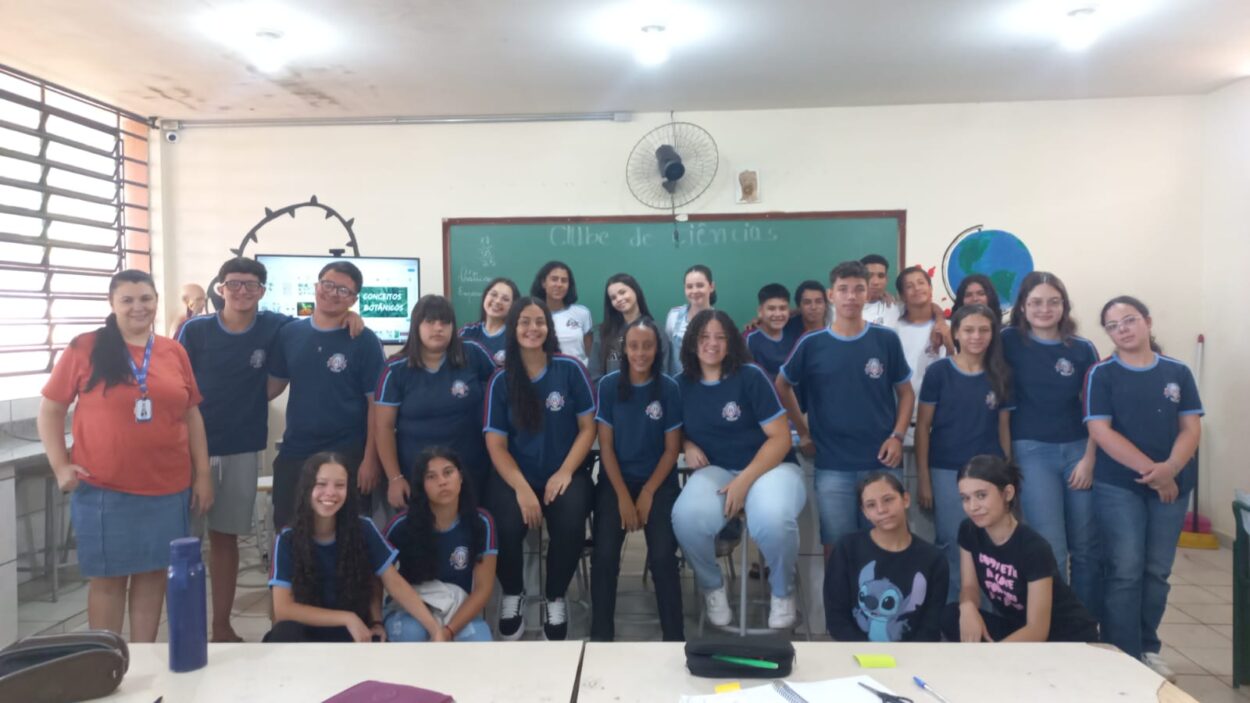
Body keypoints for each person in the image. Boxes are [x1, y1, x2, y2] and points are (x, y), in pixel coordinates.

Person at [178, 256, 364, 642]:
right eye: (234, 284)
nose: (242, 291)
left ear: (263, 291)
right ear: (220, 288)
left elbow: (319, 327)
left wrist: (353, 318)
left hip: (241, 446)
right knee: (184, 544)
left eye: (251, 285)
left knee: (226, 538)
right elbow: (174, 386)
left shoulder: (277, 328)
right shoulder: (195, 332)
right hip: (185, 447)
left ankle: (221, 625)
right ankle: (184, 628)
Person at [37, 269, 212, 642]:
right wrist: (60, 465)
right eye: (128, 300)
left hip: (167, 489)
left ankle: (141, 663)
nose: (138, 307)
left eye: (146, 299)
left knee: (152, 577)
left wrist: (203, 475)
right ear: (112, 304)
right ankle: (104, 661)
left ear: (156, 302)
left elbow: (192, 414)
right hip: (105, 489)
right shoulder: (86, 347)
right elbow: (50, 410)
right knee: (109, 580)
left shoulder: (173, 350)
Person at [1086, 296, 1202, 679]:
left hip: (1172, 486)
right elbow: (1101, 431)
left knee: (1157, 571)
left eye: (1130, 320)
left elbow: (1190, 428)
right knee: (1126, 569)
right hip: (1119, 485)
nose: (1123, 329)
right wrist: (1153, 472)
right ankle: (1123, 650)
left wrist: (1169, 470)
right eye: (1113, 325)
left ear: (1148, 322)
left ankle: (1147, 647)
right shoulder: (1102, 374)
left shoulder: (1178, 372)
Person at [671, 309, 806, 629]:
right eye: (704, 337)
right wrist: (687, 445)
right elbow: (675, 432)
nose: (712, 344)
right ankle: (712, 587)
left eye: (720, 337)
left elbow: (780, 438)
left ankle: (782, 591)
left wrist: (744, 481)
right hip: (717, 471)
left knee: (773, 519)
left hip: (771, 468)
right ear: (691, 342)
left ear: (732, 342)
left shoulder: (750, 376)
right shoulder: (680, 384)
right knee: (685, 518)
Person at [777, 260, 913, 555]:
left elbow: (906, 393)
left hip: (882, 461)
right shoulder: (812, 343)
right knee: (837, 549)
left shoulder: (885, 339)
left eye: (858, 290)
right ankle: (842, 603)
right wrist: (804, 431)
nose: (851, 296)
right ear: (831, 294)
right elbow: (782, 385)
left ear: (868, 294)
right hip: (833, 464)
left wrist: (898, 436)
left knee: (888, 544)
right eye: (843, 289)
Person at [483, 297, 596, 640]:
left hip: (565, 470)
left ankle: (555, 596)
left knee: (572, 518)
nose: (533, 329)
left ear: (549, 327)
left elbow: (588, 429)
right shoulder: (501, 379)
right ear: (513, 329)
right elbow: (496, 445)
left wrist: (564, 473)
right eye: (524, 323)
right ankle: (513, 593)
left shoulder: (570, 368)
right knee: (502, 521)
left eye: (539, 322)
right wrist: (521, 488)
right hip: (515, 474)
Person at [1002, 271, 1101, 616]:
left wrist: (1089, 459)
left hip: (1078, 452)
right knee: (1050, 545)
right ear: (1023, 307)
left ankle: (1084, 622)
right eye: (1036, 302)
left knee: (1086, 547)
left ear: (1064, 305)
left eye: (1053, 301)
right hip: (1032, 452)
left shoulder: (1083, 348)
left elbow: (1097, 411)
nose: (1045, 309)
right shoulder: (1008, 341)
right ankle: (1055, 625)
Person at [265, 453, 444, 643]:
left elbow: (396, 584)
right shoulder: (287, 539)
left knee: (382, 646)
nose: (330, 492)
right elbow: (283, 610)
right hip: (309, 632)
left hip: (355, 632)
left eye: (340, 485)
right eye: (321, 484)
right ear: (307, 488)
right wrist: (346, 617)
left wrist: (435, 629)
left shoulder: (364, 528)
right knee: (283, 633)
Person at [267, 261, 386, 531]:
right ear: (316, 286)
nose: (333, 293)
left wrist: (371, 460)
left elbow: (375, 406)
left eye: (343, 290)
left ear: (354, 299)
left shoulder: (364, 340)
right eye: (328, 285)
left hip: (348, 454)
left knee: (348, 535)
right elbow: (272, 387)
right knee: (289, 531)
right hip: (296, 451)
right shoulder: (289, 334)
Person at [591, 317, 683, 641]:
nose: (640, 352)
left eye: (647, 345)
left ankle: (674, 638)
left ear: (657, 349)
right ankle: (601, 638)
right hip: (616, 481)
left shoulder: (669, 387)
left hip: (658, 482)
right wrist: (623, 498)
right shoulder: (608, 385)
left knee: (661, 558)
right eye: (633, 346)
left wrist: (645, 493)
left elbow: (672, 451)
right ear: (623, 349)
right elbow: (606, 447)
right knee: (603, 557)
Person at [941, 455, 1099, 643]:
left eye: (981, 495)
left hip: (1062, 637)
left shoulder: (1033, 547)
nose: (973, 506)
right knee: (951, 615)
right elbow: (969, 587)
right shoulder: (969, 530)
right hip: (1018, 628)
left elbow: (1038, 630)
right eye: (965, 498)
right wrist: (967, 607)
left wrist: (992, 657)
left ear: (1007, 493)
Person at [915, 304, 1012, 598]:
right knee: (953, 542)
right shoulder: (939, 372)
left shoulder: (1002, 374)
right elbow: (923, 428)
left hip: (990, 473)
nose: (976, 336)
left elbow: (1004, 428)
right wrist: (924, 479)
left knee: (992, 544)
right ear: (955, 333)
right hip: (946, 471)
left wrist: (1008, 475)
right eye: (968, 330)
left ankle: (989, 618)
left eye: (984, 330)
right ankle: (956, 619)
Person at [376, 295, 496, 507]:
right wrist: (395, 478)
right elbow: (383, 428)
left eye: (444, 322)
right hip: (417, 475)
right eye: (430, 322)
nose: (438, 328)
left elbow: (503, 388)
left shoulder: (473, 353)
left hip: (471, 472)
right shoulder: (395, 369)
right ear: (416, 326)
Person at [383, 448, 497, 642]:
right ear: (422, 485)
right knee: (412, 632)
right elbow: (379, 579)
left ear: (460, 477)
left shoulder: (481, 521)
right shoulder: (401, 525)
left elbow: (483, 589)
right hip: (411, 610)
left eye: (448, 472)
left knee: (480, 642)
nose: (442, 482)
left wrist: (448, 631)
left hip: (457, 610)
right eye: (431, 477)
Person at [824, 472, 948, 642]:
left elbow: (931, 626)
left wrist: (905, 660)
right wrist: (869, 657)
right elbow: (836, 619)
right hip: (857, 654)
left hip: (913, 658)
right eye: (871, 505)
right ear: (865, 512)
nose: (881, 510)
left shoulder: (933, 559)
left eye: (888, 499)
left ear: (905, 499)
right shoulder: (847, 549)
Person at [894, 266, 954, 443]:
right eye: (909, 286)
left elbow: (959, 369)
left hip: (941, 422)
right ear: (902, 296)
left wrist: (949, 341)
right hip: (902, 424)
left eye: (921, 283)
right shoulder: (893, 330)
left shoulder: (951, 327)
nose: (917, 288)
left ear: (931, 289)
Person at [588, 273, 666, 382]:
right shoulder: (603, 332)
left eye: (622, 292)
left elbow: (663, 372)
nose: (619, 299)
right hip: (612, 396)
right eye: (613, 297)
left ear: (635, 291)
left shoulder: (656, 329)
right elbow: (594, 374)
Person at [530, 261, 593, 366]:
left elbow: (590, 354)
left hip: (578, 374)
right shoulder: (532, 313)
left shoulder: (582, 313)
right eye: (554, 279)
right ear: (543, 283)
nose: (559, 284)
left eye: (564, 281)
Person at [664, 264, 716, 375]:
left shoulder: (719, 321)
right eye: (689, 286)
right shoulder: (674, 316)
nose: (694, 291)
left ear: (711, 287)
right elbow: (668, 354)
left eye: (700, 285)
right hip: (679, 386)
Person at [743, 283, 801, 383]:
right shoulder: (748, 339)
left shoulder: (794, 326)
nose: (777, 314)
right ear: (760, 311)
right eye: (771, 309)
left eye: (783, 308)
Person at [460, 277, 519, 366]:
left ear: (513, 306)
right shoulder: (468, 332)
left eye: (505, 299)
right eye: (493, 294)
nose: (498, 301)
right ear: (485, 296)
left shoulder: (515, 336)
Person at [859, 254, 899, 328]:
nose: (876, 282)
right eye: (869, 276)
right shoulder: (841, 308)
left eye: (881, 276)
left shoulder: (894, 308)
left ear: (886, 279)